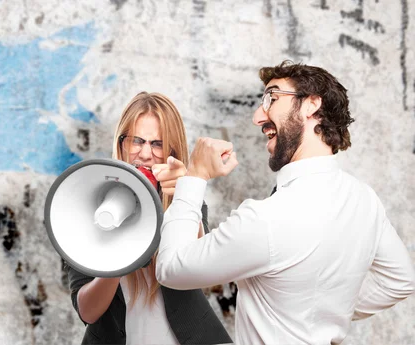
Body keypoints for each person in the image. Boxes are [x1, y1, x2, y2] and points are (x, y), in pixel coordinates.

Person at [155, 61, 415, 344]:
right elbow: (400, 280)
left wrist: (194, 177)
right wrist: (321, 309)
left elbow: (171, 269)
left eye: (271, 98)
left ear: (310, 105)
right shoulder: (365, 199)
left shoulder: (265, 218)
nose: (257, 116)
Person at [66, 92, 232, 344]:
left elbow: (203, 269)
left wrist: (186, 193)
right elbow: (88, 311)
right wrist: (119, 259)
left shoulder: (185, 200)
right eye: (136, 141)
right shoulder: (85, 207)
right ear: (121, 143)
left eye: (157, 144)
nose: (145, 154)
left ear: (172, 151)